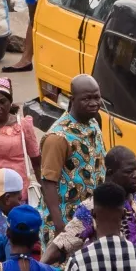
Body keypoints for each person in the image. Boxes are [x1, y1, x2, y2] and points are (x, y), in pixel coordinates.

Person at [36, 74, 106, 240]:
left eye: (97, 97)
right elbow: (48, 183)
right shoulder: (58, 137)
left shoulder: (94, 123)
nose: (94, 103)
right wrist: (61, 228)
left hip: (91, 220)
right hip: (66, 221)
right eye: (86, 99)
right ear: (72, 100)